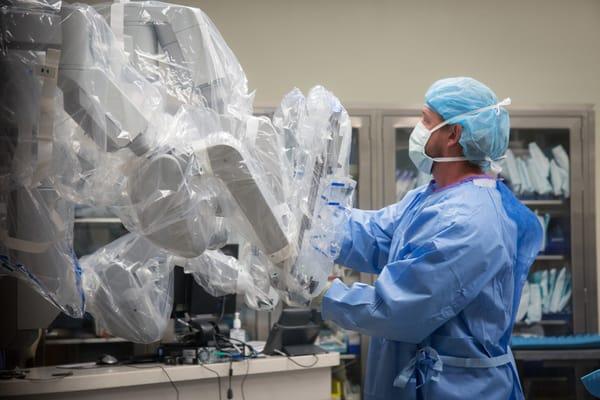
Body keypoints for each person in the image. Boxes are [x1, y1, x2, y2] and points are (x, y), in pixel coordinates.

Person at [321, 77, 543, 400]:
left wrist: (325, 294)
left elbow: (398, 309)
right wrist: (315, 228)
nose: (418, 129)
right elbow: (376, 236)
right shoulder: (430, 197)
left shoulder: (470, 221)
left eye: (426, 120)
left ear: (454, 134)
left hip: (460, 390)